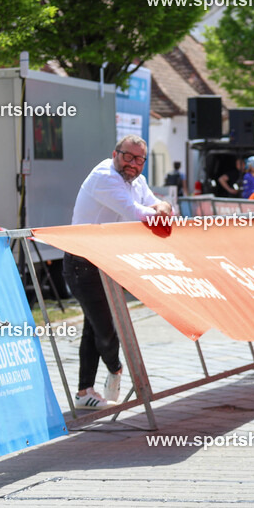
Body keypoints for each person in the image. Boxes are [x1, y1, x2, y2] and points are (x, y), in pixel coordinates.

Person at [63, 136, 174, 409]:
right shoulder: (105, 176)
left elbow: (157, 204)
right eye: (128, 157)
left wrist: (163, 206)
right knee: (106, 330)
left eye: (139, 160)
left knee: (93, 328)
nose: (133, 164)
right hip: (82, 263)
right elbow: (135, 212)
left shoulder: (136, 179)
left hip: (106, 262)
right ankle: (116, 370)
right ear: (115, 153)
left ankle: (84, 393)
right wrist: (158, 209)